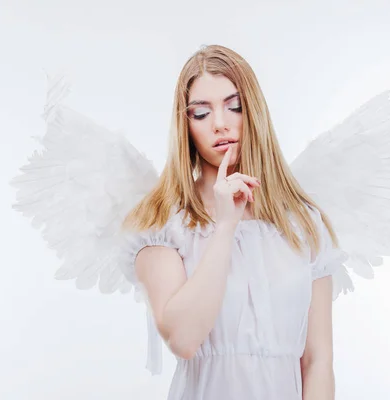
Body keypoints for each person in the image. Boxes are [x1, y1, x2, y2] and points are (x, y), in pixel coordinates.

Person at [120, 44, 343, 400]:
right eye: (201, 113)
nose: (221, 123)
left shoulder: (302, 223)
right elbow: (184, 339)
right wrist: (224, 227)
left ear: (253, 110)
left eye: (233, 106)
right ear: (186, 125)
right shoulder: (163, 221)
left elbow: (317, 360)